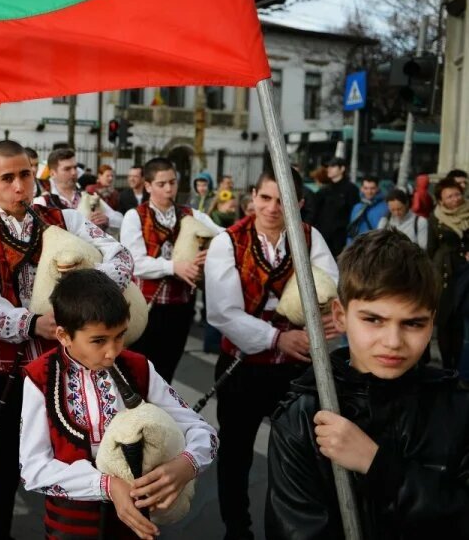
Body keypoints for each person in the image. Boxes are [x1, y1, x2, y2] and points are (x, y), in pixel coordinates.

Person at [0, 140, 133, 540]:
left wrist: (84, 299)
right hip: (6, 372)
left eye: (25, 175)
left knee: (83, 464)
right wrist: (32, 322)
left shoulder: (66, 219)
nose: (19, 186)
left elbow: (120, 255)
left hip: (71, 370)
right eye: (7, 178)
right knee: (0, 474)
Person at [266, 230, 469, 538]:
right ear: (340, 315)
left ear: (432, 321)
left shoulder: (458, 407)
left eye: (413, 323)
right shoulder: (304, 418)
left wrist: (378, 467)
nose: (393, 342)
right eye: (373, 320)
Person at [19, 269, 218, 540]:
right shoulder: (40, 377)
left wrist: (186, 464)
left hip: (135, 524)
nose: (113, 351)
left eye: (120, 335)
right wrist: (107, 485)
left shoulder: (138, 368)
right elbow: (34, 469)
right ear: (63, 335)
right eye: (99, 340)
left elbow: (202, 431)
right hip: (70, 527)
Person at [205, 167, 338, 540]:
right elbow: (222, 312)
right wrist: (279, 338)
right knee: (236, 455)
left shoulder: (310, 238)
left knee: (301, 456)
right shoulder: (227, 241)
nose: (273, 207)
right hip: (242, 367)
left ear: (299, 203)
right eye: (265, 197)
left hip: (295, 371)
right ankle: (238, 530)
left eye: (283, 200)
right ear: (253, 196)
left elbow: (331, 288)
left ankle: (292, 529)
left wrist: (327, 321)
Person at [121, 157, 222, 384]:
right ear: (147, 186)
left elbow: (225, 238)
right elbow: (135, 261)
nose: (169, 189)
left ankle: (163, 417)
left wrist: (211, 252)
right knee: (141, 373)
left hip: (181, 307)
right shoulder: (135, 216)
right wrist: (173, 266)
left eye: (173, 182)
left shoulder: (191, 214)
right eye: (161, 184)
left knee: (167, 373)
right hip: (147, 308)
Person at [427, 177, 469, 374]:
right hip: (443, 271)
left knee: (460, 320)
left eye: (457, 194)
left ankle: (459, 367)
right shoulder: (435, 217)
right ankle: (446, 367)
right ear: (441, 200)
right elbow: (431, 248)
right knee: (444, 320)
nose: (455, 199)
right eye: (449, 196)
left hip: (465, 271)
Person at [42, 148, 122, 231]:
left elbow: (120, 220)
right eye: (67, 169)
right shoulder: (44, 201)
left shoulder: (88, 196)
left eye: (75, 167)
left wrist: (107, 219)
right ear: (52, 173)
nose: (74, 172)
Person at [312, 156, 360, 257]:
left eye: (333, 166)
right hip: (323, 238)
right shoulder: (324, 190)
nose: (328, 169)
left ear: (342, 169)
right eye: (328, 166)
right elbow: (314, 212)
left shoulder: (351, 189)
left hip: (341, 239)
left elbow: (355, 214)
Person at [346, 175, 386, 243]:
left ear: (377, 188)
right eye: (366, 188)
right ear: (361, 188)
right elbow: (351, 231)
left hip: (376, 246)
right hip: (358, 246)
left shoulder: (385, 207)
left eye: (372, 188)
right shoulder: (357, 207)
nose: (369, 192)